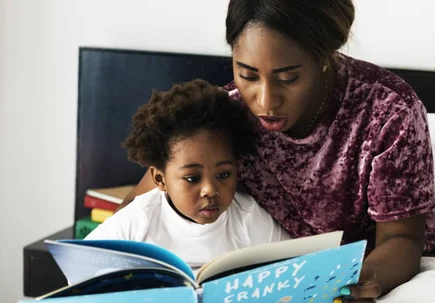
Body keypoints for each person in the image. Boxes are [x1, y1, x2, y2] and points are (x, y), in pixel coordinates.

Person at [119, 0, 435, 303]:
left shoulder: (388, 110)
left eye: (288, 78)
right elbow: (141, 203)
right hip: (282, 291)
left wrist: (359, 282)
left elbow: (403, 240)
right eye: (248, 75)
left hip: (386, 280)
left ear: (325, 56)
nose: (265, 101)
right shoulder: (227, 115)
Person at [85, 79, 291, 268]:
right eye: (192, 178)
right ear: (160, 178)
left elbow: (293, 267)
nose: (210, 190)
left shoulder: (249, 218)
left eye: (223, 175)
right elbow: (83, 265)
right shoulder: (139, 220)